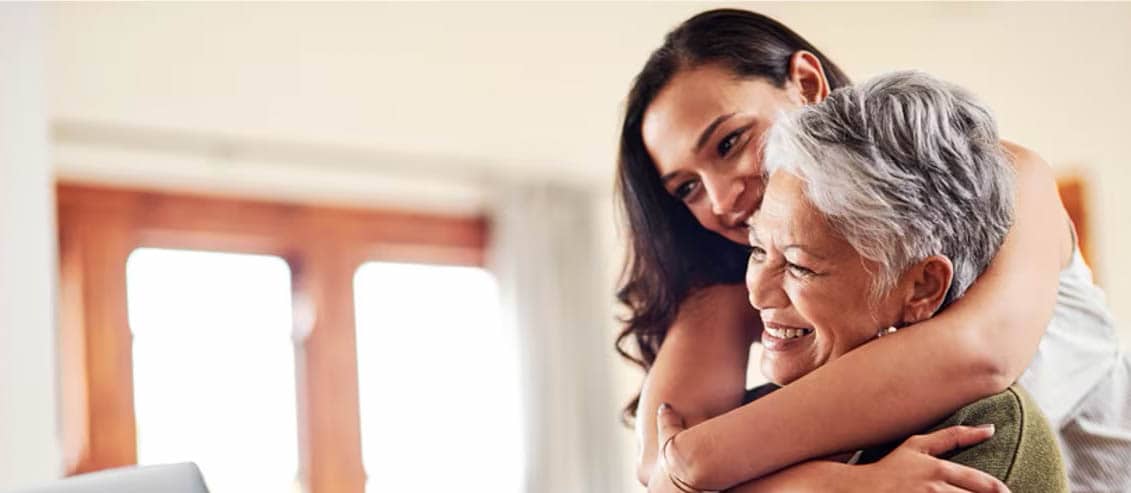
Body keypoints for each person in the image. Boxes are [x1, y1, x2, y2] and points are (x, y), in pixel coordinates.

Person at [615, 8, 1130, 492]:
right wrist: (837, 485)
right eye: (687, 188)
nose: (723, 199)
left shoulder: (1004, 180)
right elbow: (661, 465)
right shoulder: (740, 279)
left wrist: (696, 461)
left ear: (807, 85)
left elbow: (978, 354)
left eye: (729, 142)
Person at [665, 70, 1068, 492]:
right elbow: (665, 469)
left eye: (800, 266)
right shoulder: (747, 424)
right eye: (758, 251)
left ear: (922, 288)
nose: (757, 292)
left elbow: (980, 348)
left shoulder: (984, 433)